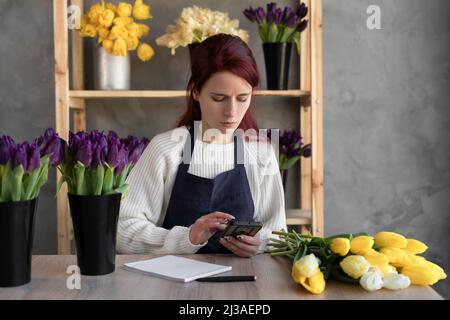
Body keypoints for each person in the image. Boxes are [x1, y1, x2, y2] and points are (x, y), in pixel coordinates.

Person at [117, 34, 286, 257]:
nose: (231, 112)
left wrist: (261, 243)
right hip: (172, 288)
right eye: (218, 98)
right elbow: (122, 230)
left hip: (244, 287)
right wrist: (186, 238)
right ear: (196, 92)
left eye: (243, 98)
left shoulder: (261, 153)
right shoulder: (166, 149)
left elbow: (279, 235)